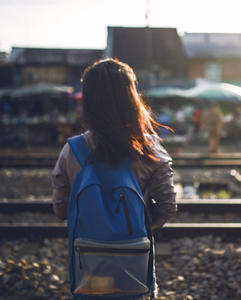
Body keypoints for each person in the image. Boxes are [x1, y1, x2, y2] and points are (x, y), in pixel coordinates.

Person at [51, 58, 177, 299]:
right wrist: (133, 228)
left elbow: (60, 210)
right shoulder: (151, 151)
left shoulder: (72, 151)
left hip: (90, 267)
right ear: (131, 98)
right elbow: (168, 207)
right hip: (134, 266)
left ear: (89, 102)